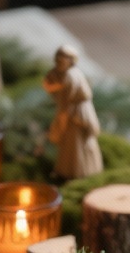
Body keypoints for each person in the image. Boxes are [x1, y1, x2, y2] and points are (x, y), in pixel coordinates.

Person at [43, 46, 103, 178]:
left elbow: (67, 96)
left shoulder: (72, 75)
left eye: (62, 58)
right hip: (69, 111)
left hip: (76, 113)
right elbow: (49, 82)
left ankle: (80, 172)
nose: (59, 61)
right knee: (68, 144)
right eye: (58, 58)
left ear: (70, 60)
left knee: (76, 142)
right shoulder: (60, 73)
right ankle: (66, 170)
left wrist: (56, 89)